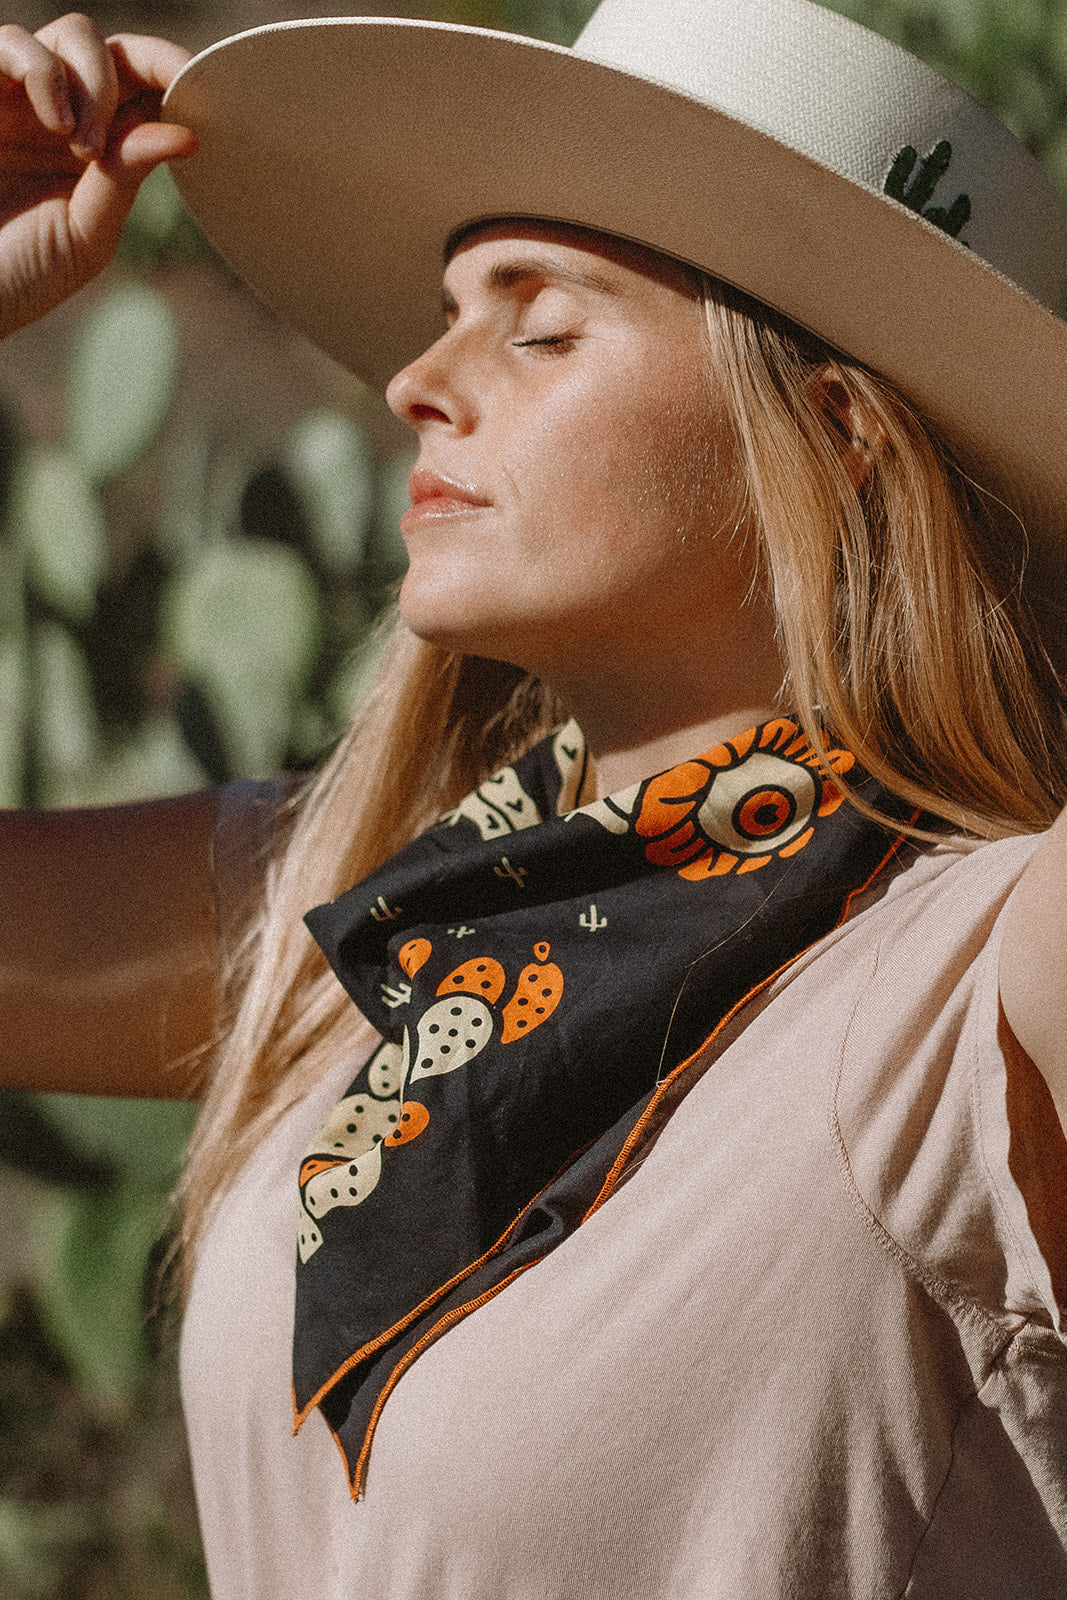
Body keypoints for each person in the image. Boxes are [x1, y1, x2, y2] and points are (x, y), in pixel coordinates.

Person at [1, 0, 1066, 1595]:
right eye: (447, 313)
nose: (413, 382)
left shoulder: (976, 981)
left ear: (838, 427)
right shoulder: (382, 913)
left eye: (542, 328)